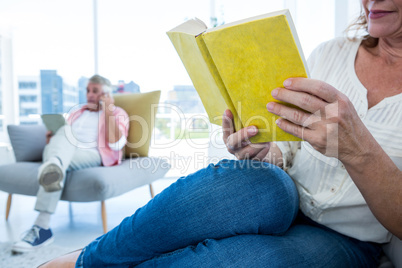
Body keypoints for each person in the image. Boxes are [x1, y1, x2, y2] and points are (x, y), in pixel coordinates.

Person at [41, 0, 401, 267]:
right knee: (251, 182)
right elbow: (290, 152)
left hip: (351, 238)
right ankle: (89, 260)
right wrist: (265, 152)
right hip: (286, 195)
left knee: (239, 260)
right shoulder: (330, 54)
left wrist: (358, 150)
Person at [12, 75, 129, 253]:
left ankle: (42, 225)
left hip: (92, 153)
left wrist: (108, 110)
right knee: (64, 133)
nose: (89, 95)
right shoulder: (77, 112)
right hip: (65, 151)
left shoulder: (117, 113)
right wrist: (53, 139)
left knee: (55, 162)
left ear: (106, 94)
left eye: (95, 91)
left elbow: (116, 145)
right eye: (88, 90)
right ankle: (53, 166)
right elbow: (62, 140)